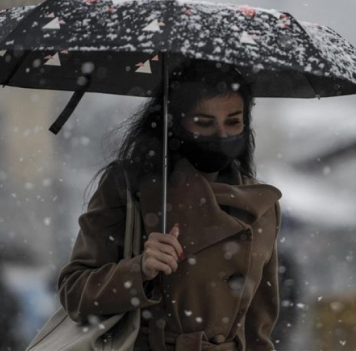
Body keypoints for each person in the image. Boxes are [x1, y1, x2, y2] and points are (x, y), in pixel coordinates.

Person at [57, 59, 283, 351]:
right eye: (204, 123)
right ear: (174, 121)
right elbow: (74, 293)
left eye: (233, 121)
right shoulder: (130, 187)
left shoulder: (261, 204)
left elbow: (258, 328)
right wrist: (140, 271)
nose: (222, 135)